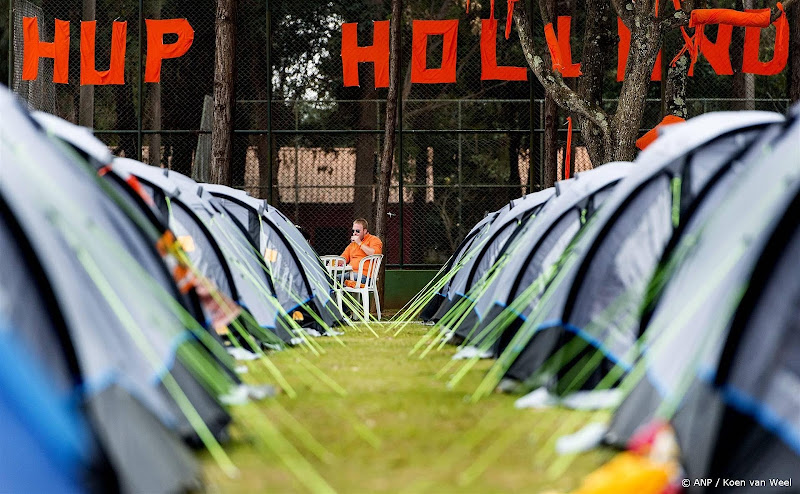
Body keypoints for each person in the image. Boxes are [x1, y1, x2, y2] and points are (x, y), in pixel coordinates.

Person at [340, 218, 382, 283]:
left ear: (365, 231)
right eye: (353, 231)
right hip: (351, 273)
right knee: (332, 279)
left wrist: (359, 243)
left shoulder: (374, 239)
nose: (355, 233)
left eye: (357, 231)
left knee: (339, 279)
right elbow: (344, 257)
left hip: (366, 276)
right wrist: (334, 261)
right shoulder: (353, 244)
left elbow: (376, 254)